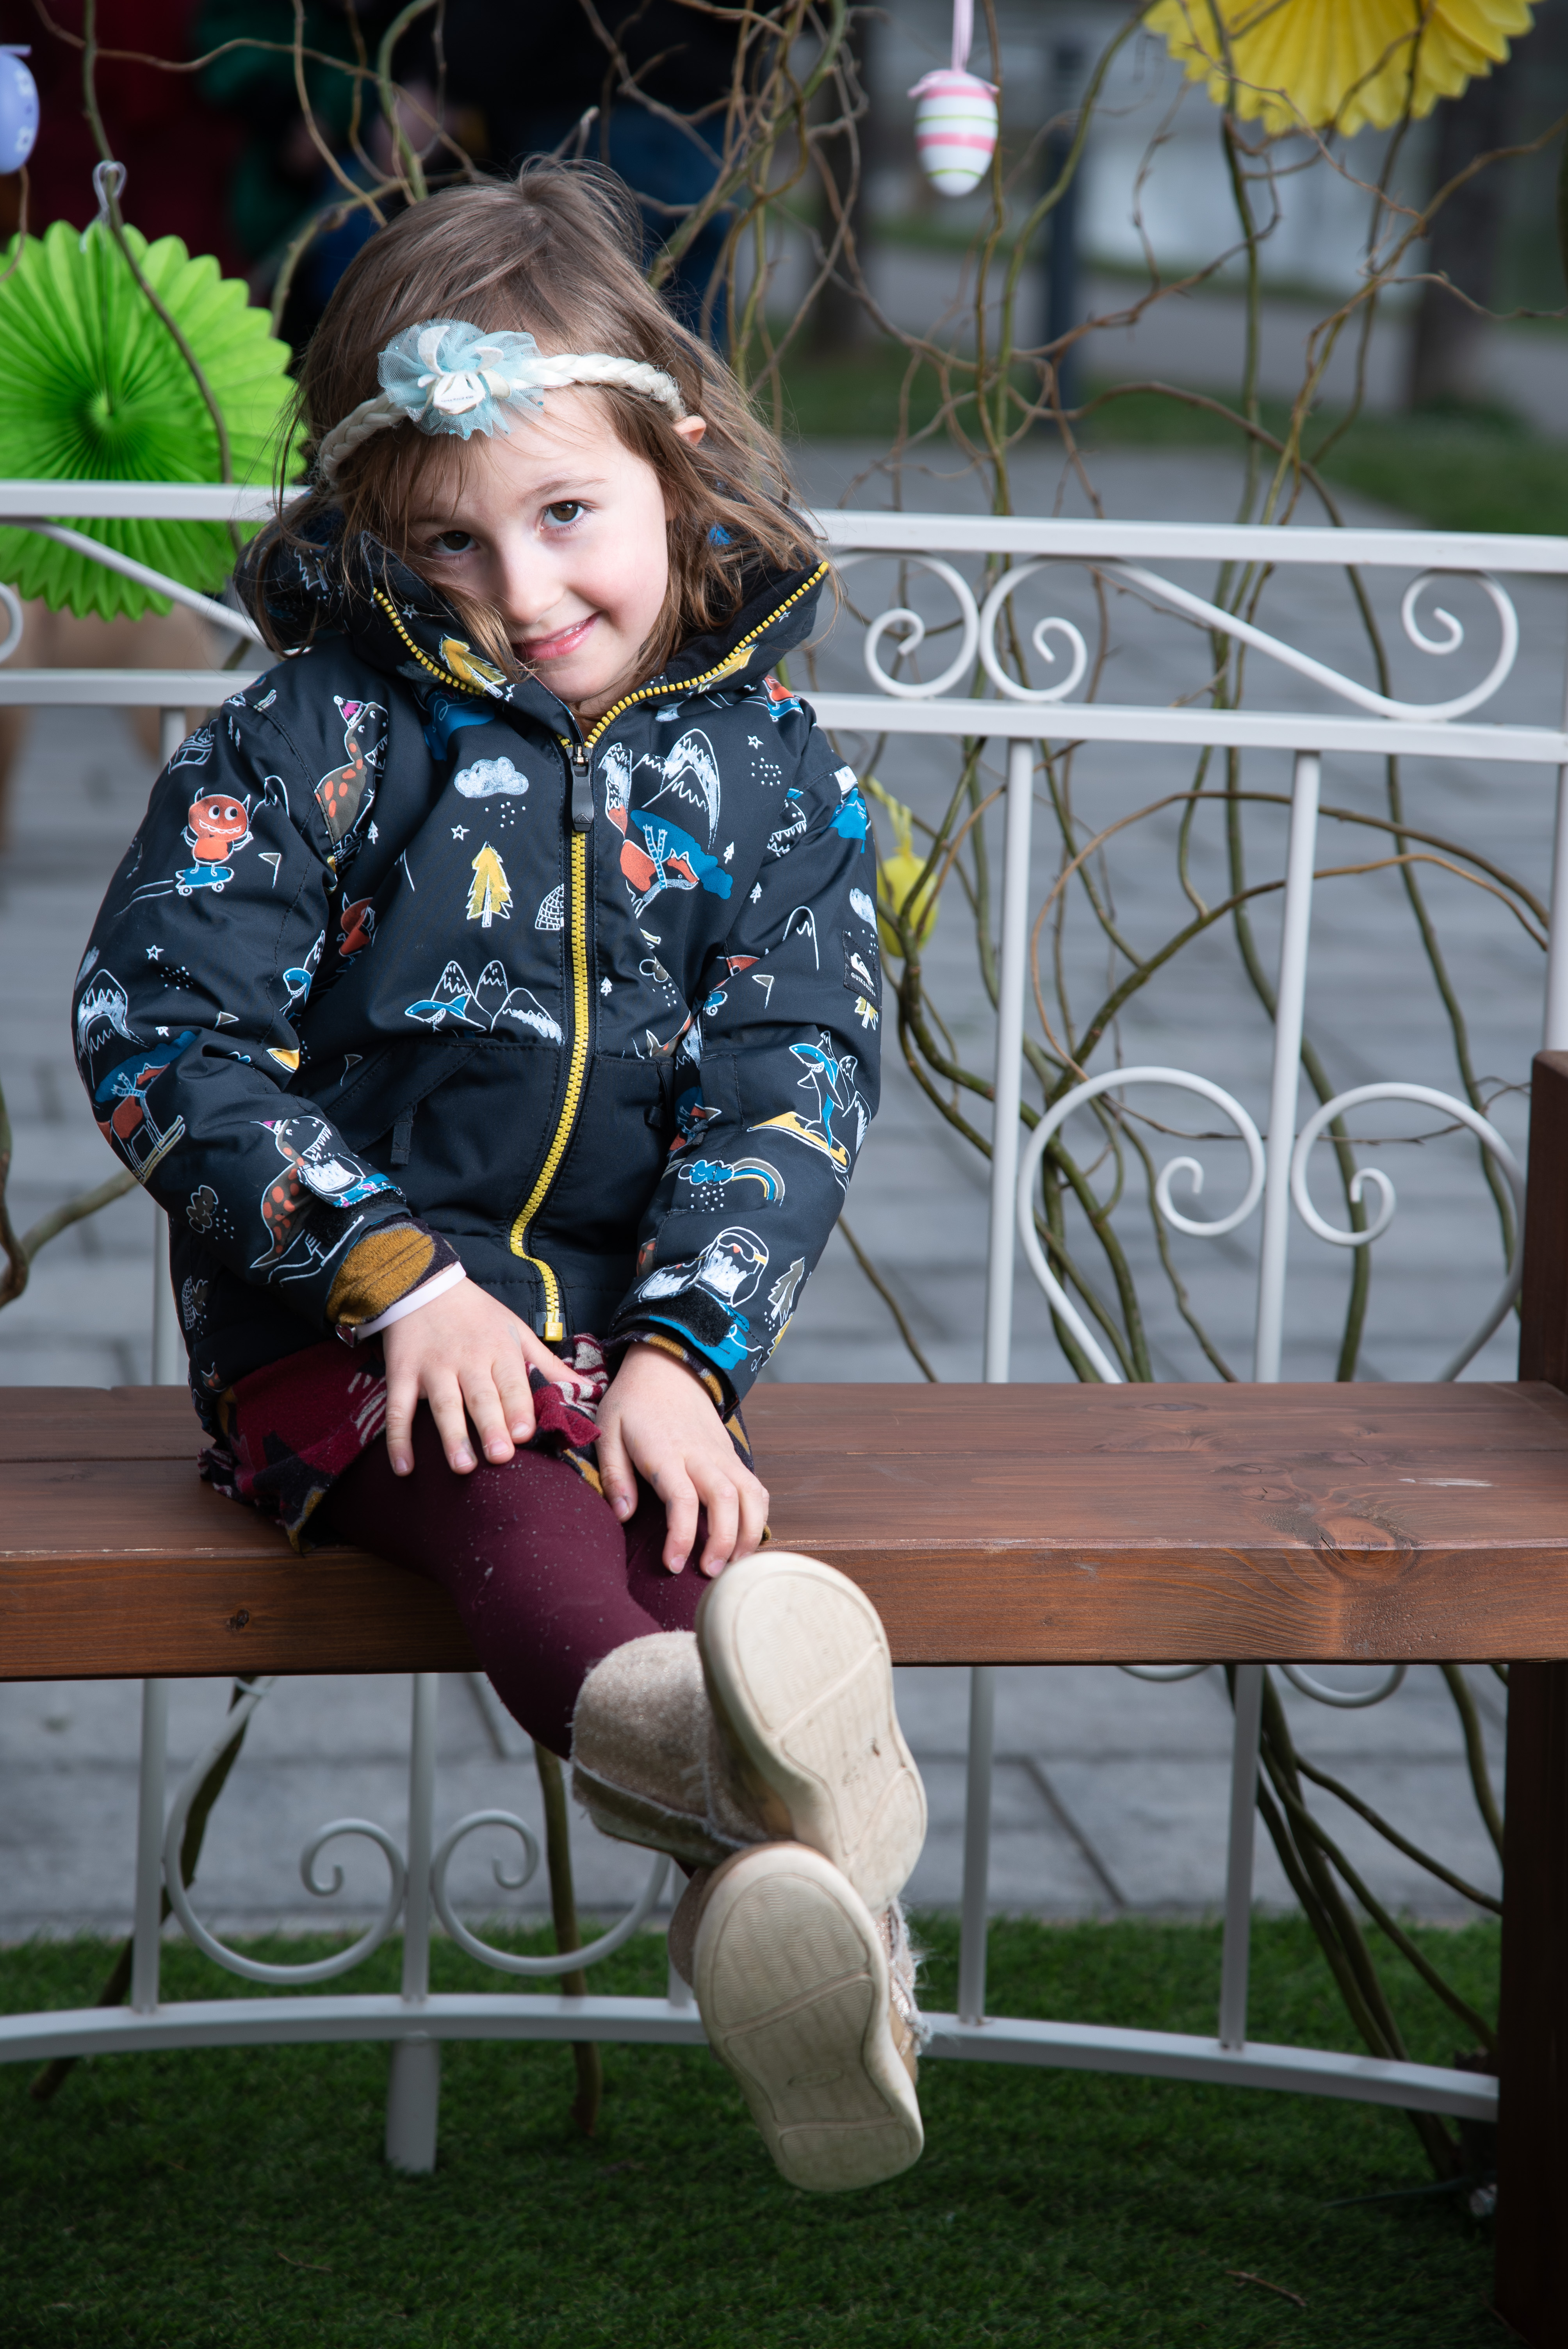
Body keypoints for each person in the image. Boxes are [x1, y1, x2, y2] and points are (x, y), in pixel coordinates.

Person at [72, 162, 927, 2194]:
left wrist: (689, 1356)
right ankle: (805, 1839)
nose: (522, 591)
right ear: (374, 531)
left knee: (700, 1553)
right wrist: (392, 1272)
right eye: (446, 543)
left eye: (564, 517)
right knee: (516, 1507)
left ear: (675, 465)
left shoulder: (775, 772)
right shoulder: (311, 740)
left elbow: (793, 1078)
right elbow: (160, 1026)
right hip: (350, 1337)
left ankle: (789, 1928)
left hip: (622, 1347)